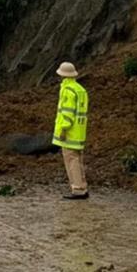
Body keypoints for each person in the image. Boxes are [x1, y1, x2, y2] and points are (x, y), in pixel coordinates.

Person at [51, 61, 89, 200]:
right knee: (78, 160)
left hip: (69, 132)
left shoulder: (67, 90)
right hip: (79, 131)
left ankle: (77, 189)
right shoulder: (80, 89)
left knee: (71, 160)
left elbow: (67, 113)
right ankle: (82, 187)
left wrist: (63, 129)